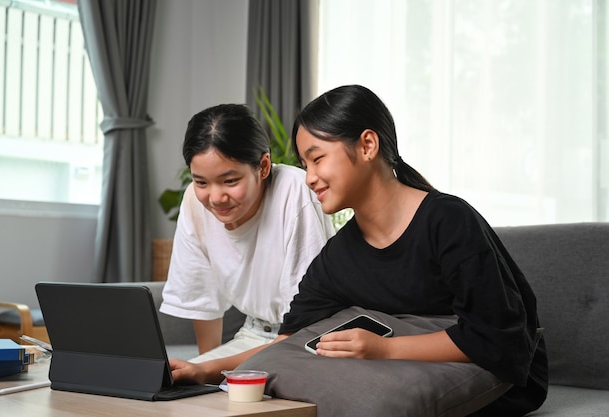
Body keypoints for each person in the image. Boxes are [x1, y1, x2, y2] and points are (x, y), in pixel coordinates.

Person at [168, 86, 547, 416]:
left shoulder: (447, 220)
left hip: (498, 379)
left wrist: (384, 349)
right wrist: (205, 370)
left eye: (317, 159)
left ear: (367, 145)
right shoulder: (340, 255)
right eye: (304, 163)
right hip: (393, 369)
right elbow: (288, 343)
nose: (309, 176)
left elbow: (498, 336)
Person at [160, 103, 335, 363]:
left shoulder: (295, 192)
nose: (216, 197)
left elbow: (305, 321)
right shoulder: (194, 203)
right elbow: (202, 299)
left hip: (306, 338)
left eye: (230, 181)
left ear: (263, 166)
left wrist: (210, 371)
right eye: (201, 182)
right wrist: (201, 373)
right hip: (253, 334)